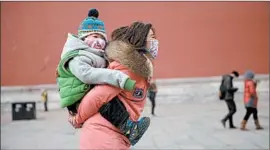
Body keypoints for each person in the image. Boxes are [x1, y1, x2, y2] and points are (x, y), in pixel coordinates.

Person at [56, 9, 150, 144]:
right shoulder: (77, 57)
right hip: (76, 97)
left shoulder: (95, 54)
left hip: (83, 92)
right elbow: (86, 75)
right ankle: (129, 128)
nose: (99, 41)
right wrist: (118, 77)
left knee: (107, 100)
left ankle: (128, 127)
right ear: (83, 38)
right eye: (94, 37)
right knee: (106, 101)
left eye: (102, 38)